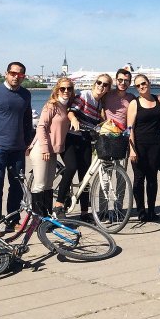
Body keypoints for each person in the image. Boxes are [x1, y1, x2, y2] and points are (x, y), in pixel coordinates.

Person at [0, 61, 35, 231]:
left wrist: (28, 142)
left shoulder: (26, 94)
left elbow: (27, 120)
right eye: (13, 73)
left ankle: (13, 219)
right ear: (6, 73)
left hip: (18, 148)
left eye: (20, 75)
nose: (16, 77)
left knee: (17, 186)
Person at [58, 73, 109, 219]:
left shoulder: (100, 104)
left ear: (107, 88)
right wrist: (74, 120)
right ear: (95, 83)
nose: (101, 86)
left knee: (85, 176)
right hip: (71, 138)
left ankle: (84, 212)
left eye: (105, 85)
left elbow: (100, 123)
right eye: (99, 83)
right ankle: (59, 205)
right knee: (71, 167)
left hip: (86, 140)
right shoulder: (85, 95)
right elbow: (71, 111)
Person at [29, 77, 73, 217]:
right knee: (40, 185)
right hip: (42, 149)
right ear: (57, 89)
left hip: (53, 151)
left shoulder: (67, 107)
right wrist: (44, 148)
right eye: (63, 88)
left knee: (48, 185)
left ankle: (47, 217)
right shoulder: (51, 105)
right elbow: (41, 127)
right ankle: (37, 220)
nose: (66, 91)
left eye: (69, 88)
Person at [127, 73, 160, 221]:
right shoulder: (134, 103)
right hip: (139, 145)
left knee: (152, 179)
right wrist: (132, 149)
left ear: (149, 83)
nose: (142, 86)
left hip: (155, 145)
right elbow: (130, 128)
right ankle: (141, 211)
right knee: (139, 179)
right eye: (138, 85)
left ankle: (152, 210)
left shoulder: (157, 99)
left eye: (144, 83)